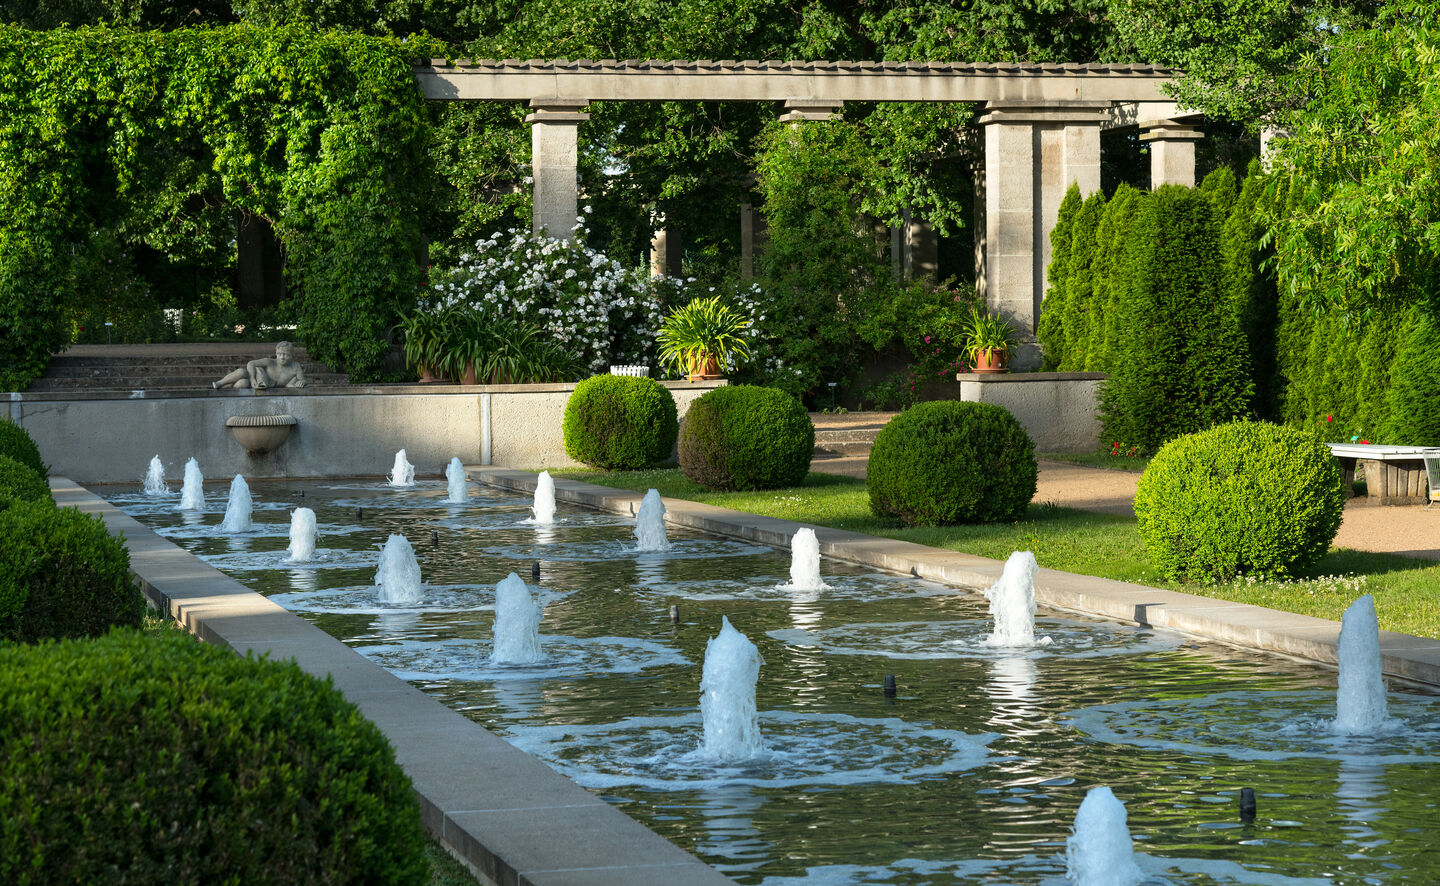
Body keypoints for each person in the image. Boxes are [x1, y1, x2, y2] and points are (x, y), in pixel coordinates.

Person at [213, 341, 308, 389]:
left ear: (291, 355)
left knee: (243, 383)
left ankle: (227, 387)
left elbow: (302, 380)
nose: (282, 357)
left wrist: (302, 382)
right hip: (255, 378)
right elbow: (251, 363)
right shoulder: (270, 362)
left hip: (260, 386)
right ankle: (220, 383)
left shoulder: (295, 366)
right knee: (242, 372)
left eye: (286, 355)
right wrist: (252, 379)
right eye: (279, 354)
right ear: (276, 354)